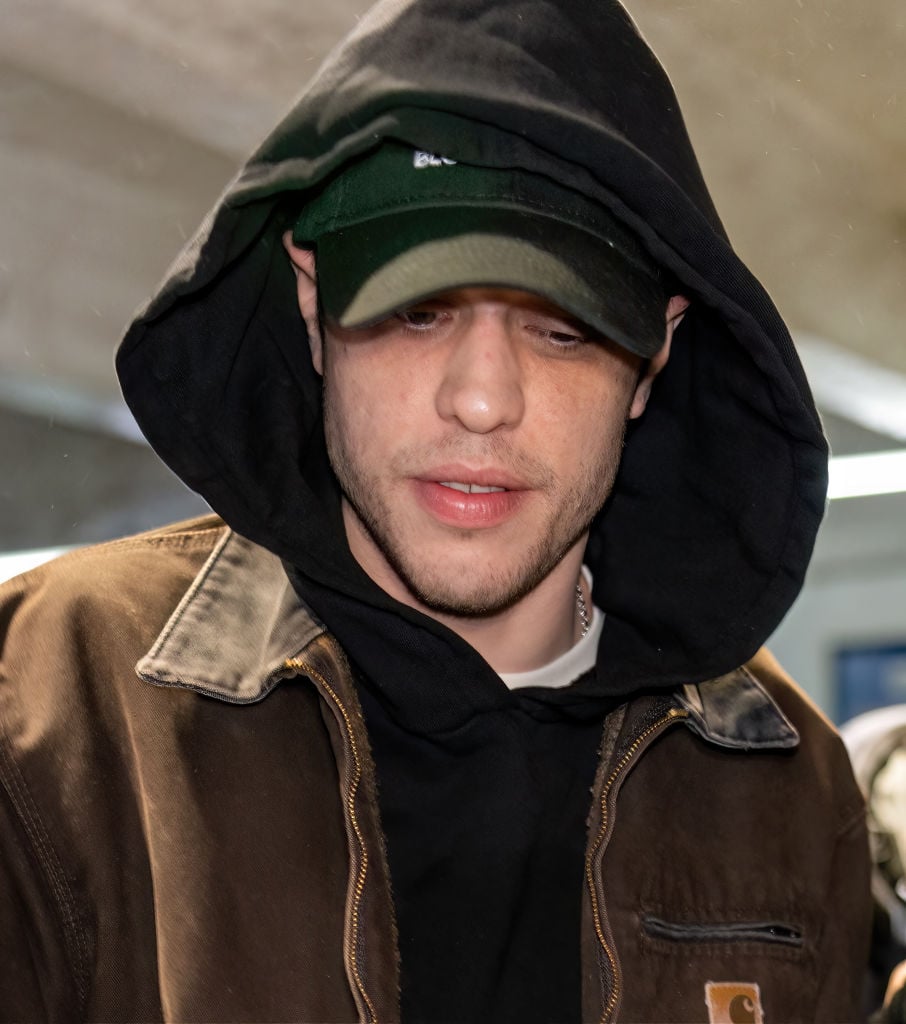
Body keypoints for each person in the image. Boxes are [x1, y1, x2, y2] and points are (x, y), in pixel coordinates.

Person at [0, 0, 872, 1020]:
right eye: (418, 312)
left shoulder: (783, 782)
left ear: (654, 356)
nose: (483, 399)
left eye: (563, 331)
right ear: (313, 306)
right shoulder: (54, 709)